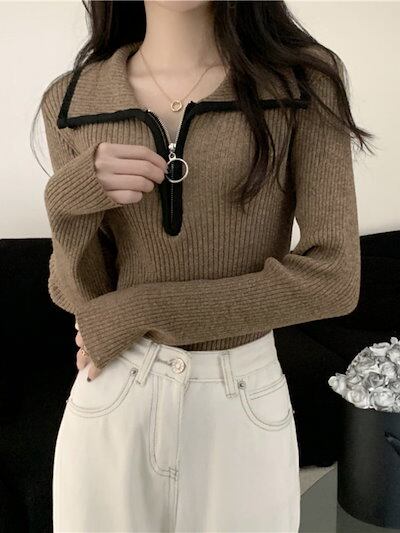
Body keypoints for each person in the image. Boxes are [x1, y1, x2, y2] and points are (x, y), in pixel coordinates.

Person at [33, 1, 373, 531]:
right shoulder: (72, 99)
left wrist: (144, 310)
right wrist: (65, 204)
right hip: (114, 399)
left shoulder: (302, 83)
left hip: (240, 401)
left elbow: (333, 280)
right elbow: (87, 302)